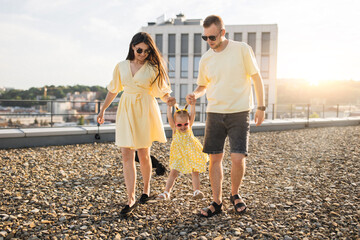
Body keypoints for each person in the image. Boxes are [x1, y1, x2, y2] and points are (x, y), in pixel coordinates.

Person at [186, 15, 266, 217]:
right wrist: (195, 94)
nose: (209, 42)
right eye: (205, 38)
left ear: (223, 32)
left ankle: (235, 194)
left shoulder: (242, 49)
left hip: (239, 112)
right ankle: (216, 202)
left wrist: (261, 107)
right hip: (214, 113)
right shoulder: (206, 59)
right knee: (215, 159)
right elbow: (203, 85)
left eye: (212, 37)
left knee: (238, 158)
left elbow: (257, 78)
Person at [97, 32, 175, 217]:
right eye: (140, 50)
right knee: (126, 155)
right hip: (126, 109)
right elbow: (113, 90)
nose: (142, 54)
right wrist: (102, 110)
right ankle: (130, 198)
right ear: (133, 47)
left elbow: (160, 91)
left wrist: (168, 99)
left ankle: (145, 191)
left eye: (147, 51)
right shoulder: (121, 66)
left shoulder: (153, 68)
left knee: (144, 154)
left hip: (145, 110)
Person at [157, 101, 209, 201]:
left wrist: (193, 104)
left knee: (195, 172)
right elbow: (169, 116)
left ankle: (196, 191)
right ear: (175, 124)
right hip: (178, 154)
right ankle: (166, 192)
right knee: (173, 173)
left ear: (189, 122)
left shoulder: (189, 127)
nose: (183, 127)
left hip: (191, 153)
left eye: (185, 124)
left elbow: (193, 114)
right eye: (179, 125)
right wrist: (169, 107)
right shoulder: (174, 129)